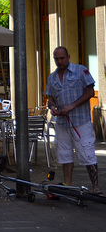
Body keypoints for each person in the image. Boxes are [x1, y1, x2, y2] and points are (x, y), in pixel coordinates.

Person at [46, 46, 101, 194]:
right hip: (62, 123)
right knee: (64, 154)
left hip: (80, 121)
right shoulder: (52, 77)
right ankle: (68, 184)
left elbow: (90, 92)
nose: (59, 61)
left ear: (68, 57)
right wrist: (52, 107)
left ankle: (95, 188)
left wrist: (72, 106)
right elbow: (50, 99)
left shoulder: (80, 70)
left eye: (62, 58)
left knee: (87, 153)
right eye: (56, 59)